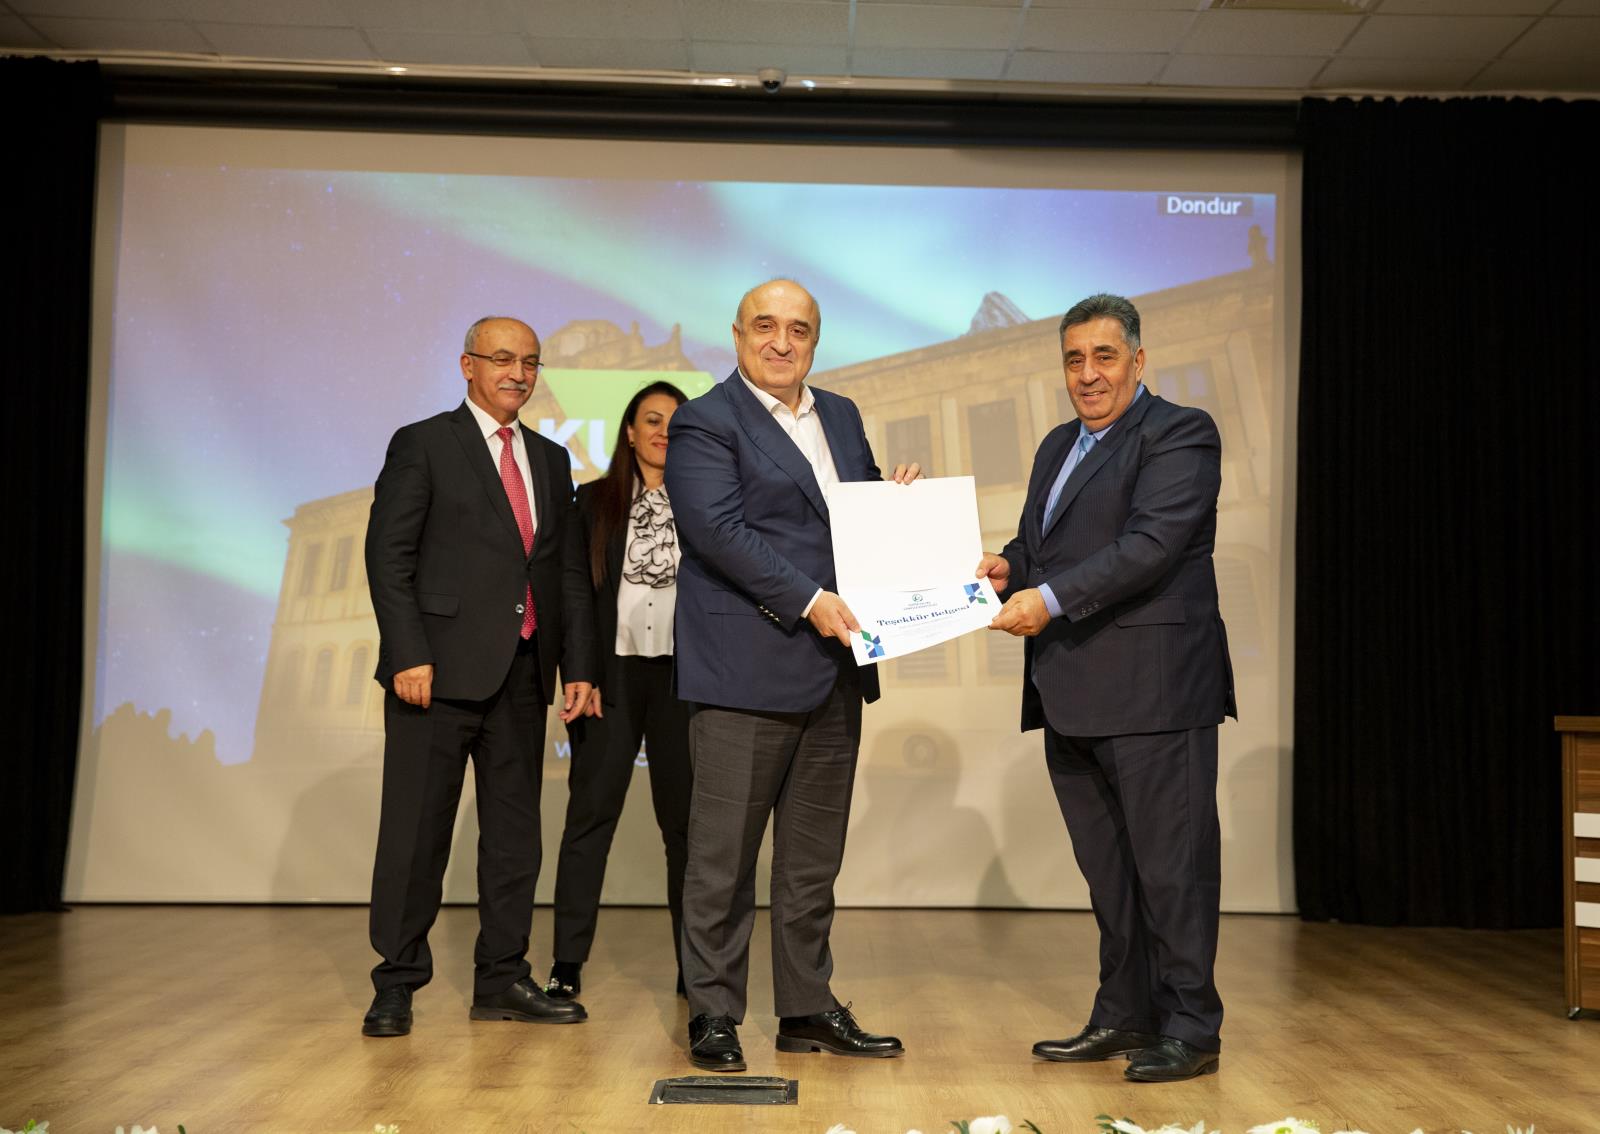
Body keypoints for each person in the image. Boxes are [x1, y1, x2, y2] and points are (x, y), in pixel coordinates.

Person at [978, 293, 1236, 1083]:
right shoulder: (1058, 445)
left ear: (1138, 360)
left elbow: (1150, 544)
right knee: (1110, 874)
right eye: (1074, 359)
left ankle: (1190, 1026)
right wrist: (1009, 566)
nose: (1087, 374)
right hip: (1071, 690)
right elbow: (1043, 546)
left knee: (1172, 867)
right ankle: (1124, 1013)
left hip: (1155, 692)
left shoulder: (1180, 432)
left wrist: (1048, 599)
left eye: (1104, 356)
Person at [665, 279, 917, 1072]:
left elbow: (852, 520)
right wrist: (809, 600)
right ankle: (714, 1012)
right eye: (766, 326)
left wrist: (897, 511)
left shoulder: (839, 413)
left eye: (798, 329)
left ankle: (806, 1007)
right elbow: (716, 530)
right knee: (722, 861)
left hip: (833, 670)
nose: (782, 342)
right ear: (738, 334)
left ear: (815, 339)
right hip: (745, 668)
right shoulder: (706, 420)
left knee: (811, 861)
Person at [361, 315, 596, 1037]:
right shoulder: (423, 443)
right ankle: (396, 982)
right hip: (432, 676)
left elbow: (565, 572)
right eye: (501, 359)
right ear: (468, 365)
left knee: (515, 841)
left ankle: (501, 979)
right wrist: (408, 653)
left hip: (522, 674)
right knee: (415, 836)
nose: (517, 373)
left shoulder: (551, 460)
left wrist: (578, 667)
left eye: (529, 362)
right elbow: (388, 557)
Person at [544, 381, 693, 1003]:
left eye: (675, 423)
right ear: (629, 432)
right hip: (610, 679)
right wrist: (582, 671)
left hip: (686, 682)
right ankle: (566, 963)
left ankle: (696, 968)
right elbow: (575, 594)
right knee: (590, 818)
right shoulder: (593, 500)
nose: (663, 432)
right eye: (651, 420)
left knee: (687, 829)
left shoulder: (707, 501)